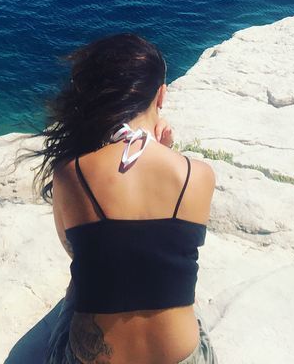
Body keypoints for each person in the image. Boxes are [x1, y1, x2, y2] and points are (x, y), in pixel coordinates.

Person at [30, 33, 217, 364]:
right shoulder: (197, 176)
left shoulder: (72, 173)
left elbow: (76, 251)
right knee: (179, 287)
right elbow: (158, 249)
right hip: (182, 359)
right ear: (161, 95)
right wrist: (162, 152)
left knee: (80, 284)